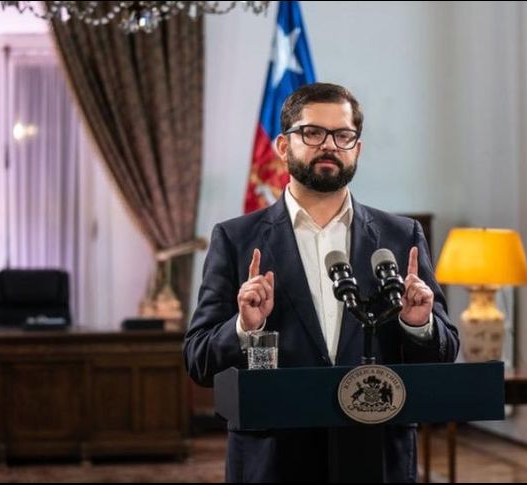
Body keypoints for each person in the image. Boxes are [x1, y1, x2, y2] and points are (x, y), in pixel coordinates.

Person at [183, 82, 459, 482]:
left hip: (375, 455)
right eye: (312, 133)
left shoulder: (401, 237)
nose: (329, 145)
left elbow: (444, 352)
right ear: (283, 146)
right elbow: (198, 360)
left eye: (343, 135)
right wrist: (246, 327)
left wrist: (418, 325)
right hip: (273, 458)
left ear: (357, 149)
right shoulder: (236, 239)